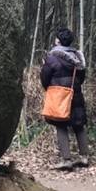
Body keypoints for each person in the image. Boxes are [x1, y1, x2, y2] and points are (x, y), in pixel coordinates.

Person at [40, 27, 89, 170]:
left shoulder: (52, 58)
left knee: (61, 125)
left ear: (58, 41)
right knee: (78, 125)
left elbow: (45, 77)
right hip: (75, 93)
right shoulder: (78, 57)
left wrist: (50, 87)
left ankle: (66, 160)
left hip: (59, 95)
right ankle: (84, 157)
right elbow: (81, 77)